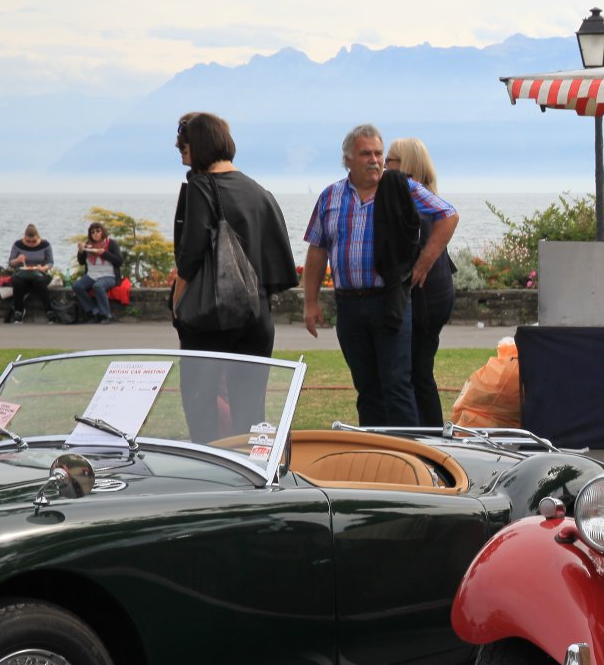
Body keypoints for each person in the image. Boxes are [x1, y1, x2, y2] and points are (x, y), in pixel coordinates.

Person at [306, 124, 459, 427]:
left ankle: (410, 452)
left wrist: (425, 262)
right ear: (348, 159)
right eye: (366, 154)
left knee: (397, 386)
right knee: (367, 389)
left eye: (379, 153)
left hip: (388, 300)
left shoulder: (401, 188)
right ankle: (374, 448)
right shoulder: (330, 196)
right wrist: (310, 302)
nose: (375, 160)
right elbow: (317, 249)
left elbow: (448, 215)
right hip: (348, 305)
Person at [173, 112, 299, 440]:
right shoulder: (260, 192)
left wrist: (177, 303)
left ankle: (210, 470)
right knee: (250, 413)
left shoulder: (201, 187)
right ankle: (249, 467)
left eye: (183, 143)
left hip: (211, 318)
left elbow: (190, 257)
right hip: (256, 318)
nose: (178, 148)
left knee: (201, 411)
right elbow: (278, 264)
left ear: (198, 144)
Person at [385, 137, 460, 427]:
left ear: (404, 164)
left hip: (425, 298)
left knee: (417, 371)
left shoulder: (412, 197)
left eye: (390, 160)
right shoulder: (427, 197)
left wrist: (421, 264)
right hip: (436, 295)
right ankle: (427, 429)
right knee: (419, 370)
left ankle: (428, 432)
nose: (384, 165)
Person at [71, 222, 124, 324]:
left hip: (109, 275)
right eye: (93, 232)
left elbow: (119, 261)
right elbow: (81, 262)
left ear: (102, 232)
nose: (95, 234)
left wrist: (104, 254)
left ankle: (106, 315)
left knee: (98, 286)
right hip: (92, 274)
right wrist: (81, 251)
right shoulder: (88, 245)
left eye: (98, 231)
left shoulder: (111, 244)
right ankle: (94, 311)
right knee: (77, 286)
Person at [5, 224, 54, 323]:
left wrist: (43, 268)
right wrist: (18, 260)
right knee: (17, 282)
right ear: (24, 237)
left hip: (39, 273)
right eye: (28, 241)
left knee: (39, 282)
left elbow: (50, 262)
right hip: (22, 274)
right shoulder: (18, 245)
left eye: (34, 241)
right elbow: (11, 262)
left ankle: (49, 310)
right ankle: (18, 311)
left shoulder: (45, 245)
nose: (31, 243)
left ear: (38, 237)